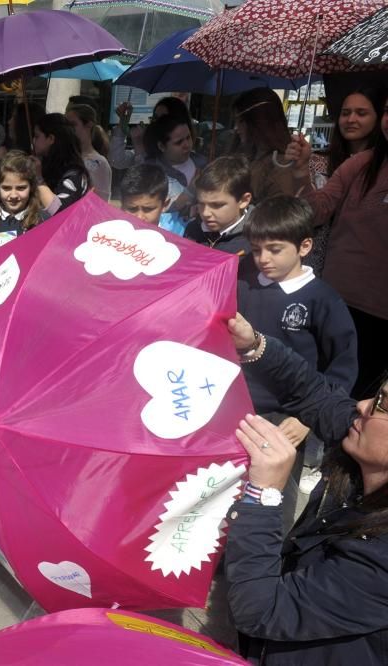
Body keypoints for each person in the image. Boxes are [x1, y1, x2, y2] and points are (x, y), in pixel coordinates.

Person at [223, 312, 388, 665]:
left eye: (382, 406)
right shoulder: (359, 446)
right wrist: (254, 346)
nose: (361, 404)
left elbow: (262, 610)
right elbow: (314, 394)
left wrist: (264, 494)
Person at [238, 195, 358, 521]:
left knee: (272, 499)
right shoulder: (241, 283)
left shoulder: (324, 300)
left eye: (275, 249)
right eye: (256, 248)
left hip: (286, 418)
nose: (263, 258)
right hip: (235, 406)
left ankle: (270, 562)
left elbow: (343, 367)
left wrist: (309, 418)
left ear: (304, 246)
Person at [284, 95, 388, 399]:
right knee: (324, 394)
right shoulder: (362, 164)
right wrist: (301, 169)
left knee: (365, 406)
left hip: (382, 314)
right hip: (337, 301)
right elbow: (316, 212)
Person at [307, 86, 387, 273]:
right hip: (315, 263)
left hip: (363, 271)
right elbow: (308, 211)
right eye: (345, 113)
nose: (351, 120)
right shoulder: (316, 161)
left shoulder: (381, 168)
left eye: (361, 113)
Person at [232, 87, 301, 202]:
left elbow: (280, 213)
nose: (236, 127)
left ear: (260, 121)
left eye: (241, 121)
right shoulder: (248, 154)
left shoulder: (281, 165)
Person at [184, 155, 253, 255]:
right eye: (201, 203)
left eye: (217, 205)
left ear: (243, 201)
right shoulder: (192, 230)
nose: (205, 213)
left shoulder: (255, 241)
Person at [143, 114, 206, 216]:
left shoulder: (203, 164)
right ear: (161, 146)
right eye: (179, 142)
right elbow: (150, 212)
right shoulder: (150, 174)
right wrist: (190, 193)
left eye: (188, 138)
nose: (187, 145)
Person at [110, 96, 192, 169]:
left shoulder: (181, 157)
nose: (156, 124)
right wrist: (122, 125)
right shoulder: (151, 148)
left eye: (163, 120)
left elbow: (145, 180)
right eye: (154, 118)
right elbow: (116, 161)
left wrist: (140, 148)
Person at [34, 113, 90, 217]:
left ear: (50, 139)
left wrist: (38, 178)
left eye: (37, 136)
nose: (33, 141)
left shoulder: (75, 174)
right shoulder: (47, 166)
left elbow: (60, 210)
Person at [118, 164, 187, 236]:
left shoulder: (179, 234)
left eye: (148, 209)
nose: (139, 217)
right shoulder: (110, 230)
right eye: (132, 209)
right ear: (122, 204)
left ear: (165, 205)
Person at [66, 104, 112, 201]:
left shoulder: (99, 162)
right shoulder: (65, 156)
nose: (68, 129)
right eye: (66, 125)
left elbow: (101, 201)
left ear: (89, 124)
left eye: (73, 124)